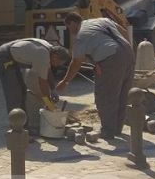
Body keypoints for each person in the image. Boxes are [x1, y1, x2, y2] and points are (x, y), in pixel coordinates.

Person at [56, 12, 135, 140]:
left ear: (72, 23)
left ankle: (108, 132)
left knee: (105, 96)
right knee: (122, 94)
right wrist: (127, 51)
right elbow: (123, 31)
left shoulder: (80, 37)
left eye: (68, 26)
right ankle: (116, 129)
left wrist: (65, 81)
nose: (69, 30)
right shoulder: (102, 21)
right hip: (128, 53)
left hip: (111, 59)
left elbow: (76, 62)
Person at [0, 38, 70, 127]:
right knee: (14, 94)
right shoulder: (43, 55)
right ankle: (16, 130)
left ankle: (24, 126)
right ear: (55, 56)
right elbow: (42, 83)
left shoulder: (50, 50)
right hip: (4, 58)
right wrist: (49, 104)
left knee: (22, 91)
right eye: (58, 63)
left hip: (14, 59)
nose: (57, 65)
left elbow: (48, 71)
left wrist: (53, 90)